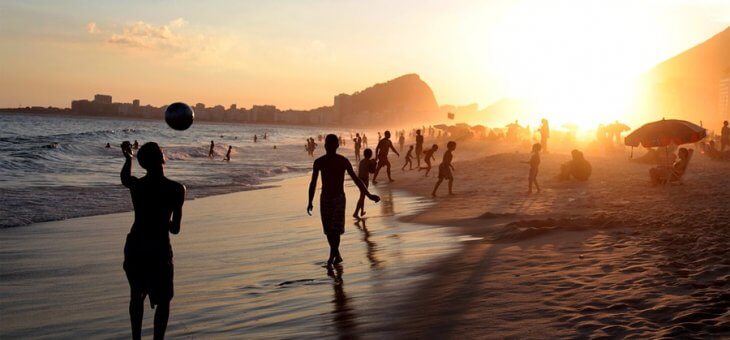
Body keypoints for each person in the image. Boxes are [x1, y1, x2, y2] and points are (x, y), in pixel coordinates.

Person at [120, 141, 185, 340]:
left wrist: (128, 158)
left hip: (136, 244)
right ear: (162, 158)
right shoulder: (176, 189)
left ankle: (136, 338)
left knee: (136, 295)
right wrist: (161, 219)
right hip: (159, 248)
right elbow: (175, 229)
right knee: (164, 300)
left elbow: (125, 179)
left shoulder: (138, 186)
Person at [307, 135, 380, 266]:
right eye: (328, 145)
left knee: (335, 229)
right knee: (329, 230)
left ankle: (332, 255)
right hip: (327, 198)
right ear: (332, 146)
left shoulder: (340, 161)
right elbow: (313, 183)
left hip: (337, 198)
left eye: (330, 145)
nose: (329, 147)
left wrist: (368, 195)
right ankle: (336, 253)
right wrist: (310, 201)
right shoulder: (321, 162)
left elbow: (356, 180)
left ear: (334, 146)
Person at [354, 148, 377, 218]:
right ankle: (356, 213)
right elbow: (372, 171)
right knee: (362, 196)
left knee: (362, 196)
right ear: (370, 155)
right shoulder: (369, 162)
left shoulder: (362, 161)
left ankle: (361, 211)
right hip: (364, 180)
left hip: (359, 180)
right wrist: (375, 164)